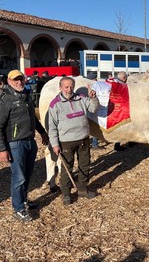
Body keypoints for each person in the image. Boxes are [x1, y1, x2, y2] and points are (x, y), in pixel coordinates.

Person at [0, 70, 49, 222]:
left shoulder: (26, 97)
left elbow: (32, 117)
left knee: (27, 175)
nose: (19, 82)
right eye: (15, 80)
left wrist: (42, 132)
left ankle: (24, 200)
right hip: (15, 143)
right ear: (9, 81)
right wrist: (2, 149)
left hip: (29, 141)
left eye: (21, 79)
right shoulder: (5, 100)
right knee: (18, 177)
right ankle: (18, 208)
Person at [48, 76, 99, 205]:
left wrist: (93, 97)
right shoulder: (55, 104)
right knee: (67, 168)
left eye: (71, 86)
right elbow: (52, 126)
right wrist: (55, 144)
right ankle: (66, 194)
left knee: (84, 165)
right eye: (66, 87)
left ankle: (82, 189)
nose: (69, 89)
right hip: (66, 141)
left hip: (83, 139)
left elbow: (93, 108)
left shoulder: (81, 98)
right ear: (60, 88)